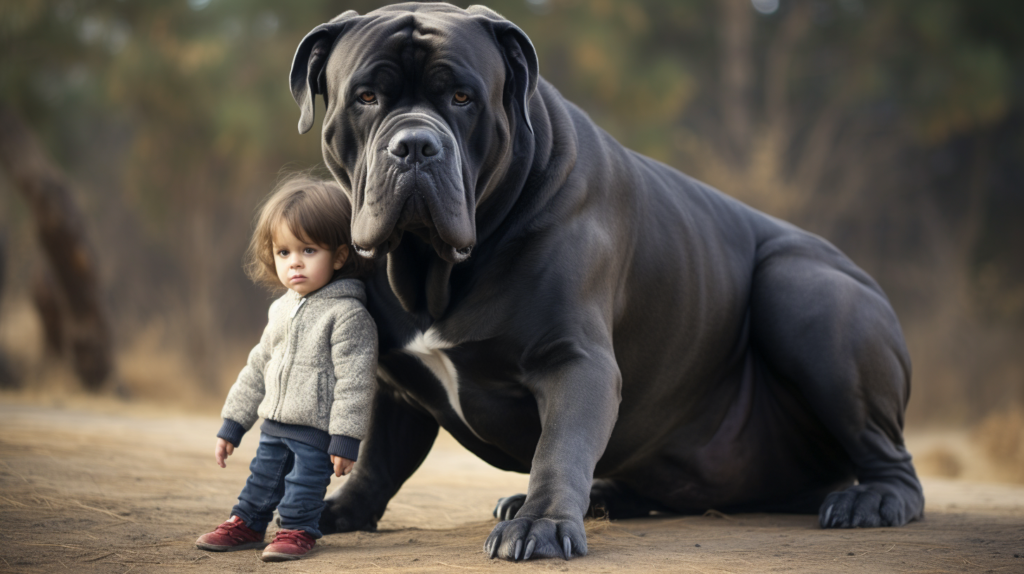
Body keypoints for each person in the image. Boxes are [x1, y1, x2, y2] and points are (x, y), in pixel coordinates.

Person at [195, 174, 377, 561]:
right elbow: (258, 366)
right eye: (283, 252)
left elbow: (356, 383)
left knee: (303, 486)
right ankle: (248, 522)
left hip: (316, 431)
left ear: (339, 256)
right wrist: (233, 423)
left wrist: (346, 438)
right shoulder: (281, 309)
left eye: (308, 250)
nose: (294, 262)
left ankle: (297, 529)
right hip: (274, 424)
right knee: (262, 480)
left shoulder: (348, 316)